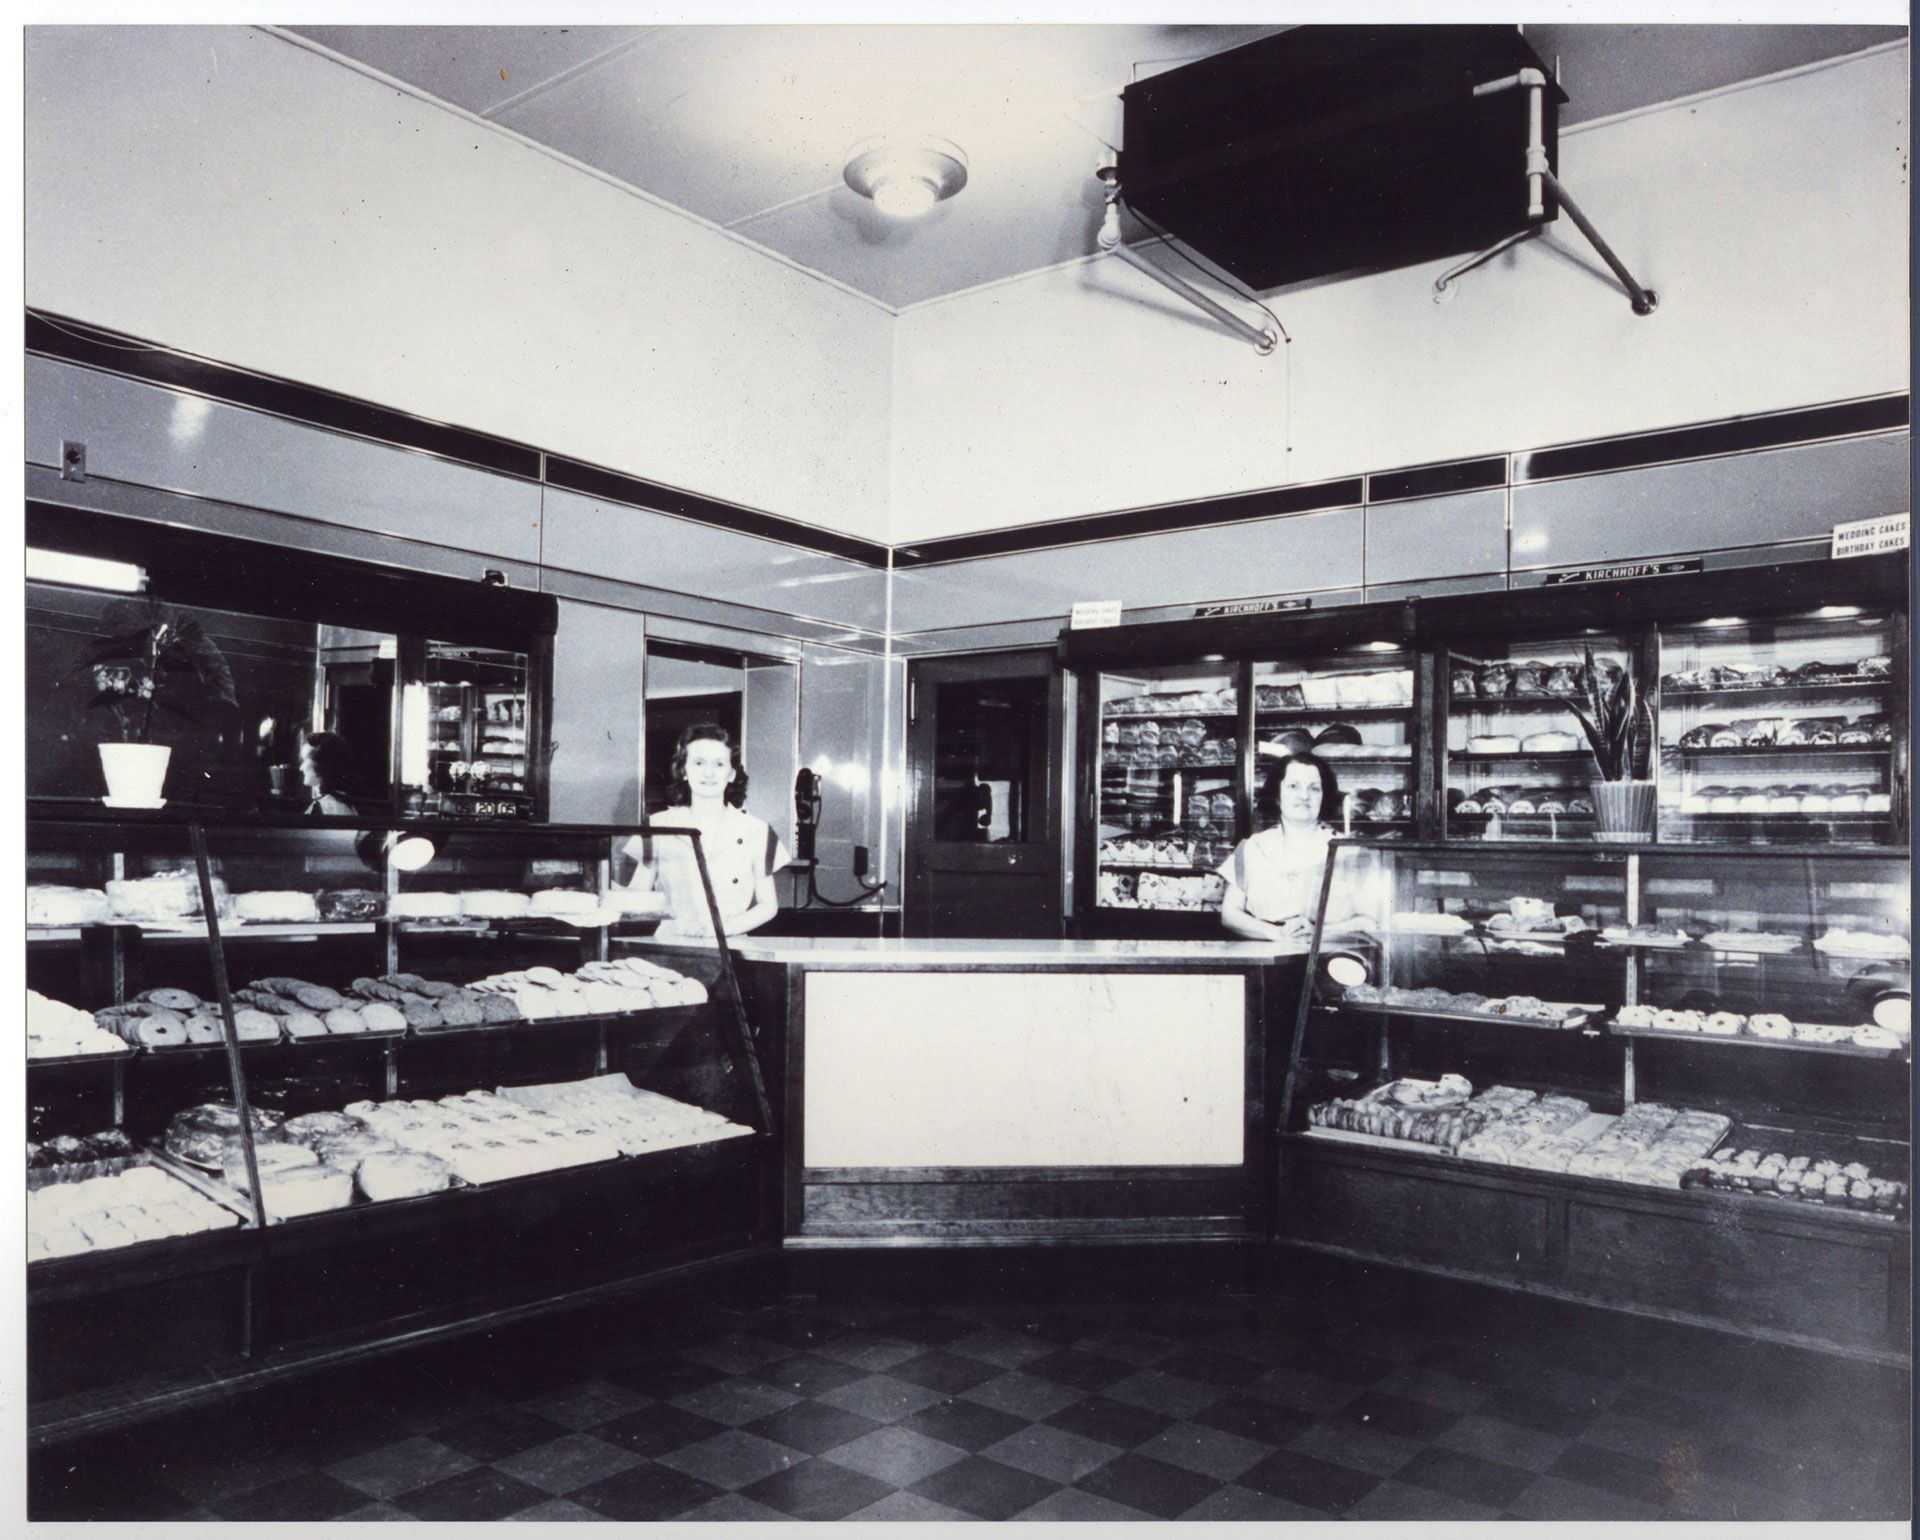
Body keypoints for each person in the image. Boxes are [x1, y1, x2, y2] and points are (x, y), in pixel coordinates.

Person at [621, 723, 789, 942]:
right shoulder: (658, 825)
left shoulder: (757, 830)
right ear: (683, 771)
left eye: (719, 764)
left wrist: (722, 928)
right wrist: (599, 893)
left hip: (731, 945)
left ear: (731, 774)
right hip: (672, 944)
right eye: (698, 763)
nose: (709, 773)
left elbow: (768, 905)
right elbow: (638, 894)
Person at [1218, 752, 1366, 944]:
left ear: (1324, 796)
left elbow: (1370, 920)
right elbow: (1230, 914)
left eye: (1314, 788)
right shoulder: (1252, 847)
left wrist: (1319, 933)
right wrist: (1274, 933)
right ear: (1277, 796)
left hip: (1329, 954)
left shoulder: (1349, 850)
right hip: (1267, 951)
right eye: (1293, 786)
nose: (1304, 796)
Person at [299, 731, 358, 816]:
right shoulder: (341, 802)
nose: (301, 767)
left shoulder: (328, 806)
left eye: (305, 760)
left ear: (322, 764)